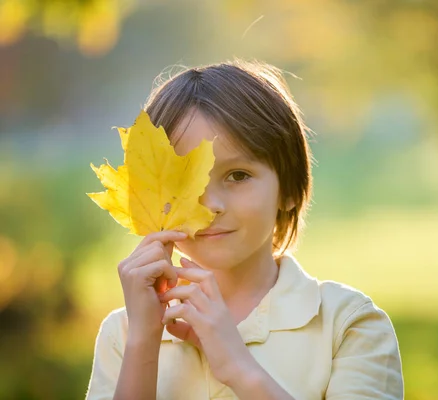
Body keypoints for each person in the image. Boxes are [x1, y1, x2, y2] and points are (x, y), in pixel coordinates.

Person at [85, 60, 404, 400]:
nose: (211, 205)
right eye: (185, 181)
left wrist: (239, 368)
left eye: (238, 175)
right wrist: (143, 343)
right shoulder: (124, 334)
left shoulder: (347, 325)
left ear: (290, 190)